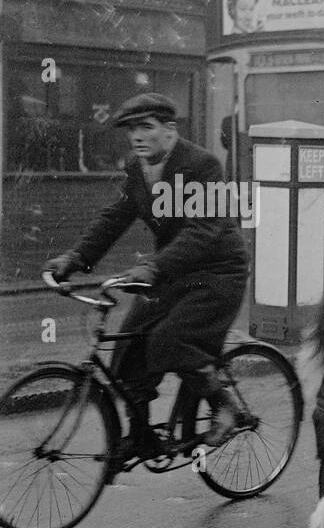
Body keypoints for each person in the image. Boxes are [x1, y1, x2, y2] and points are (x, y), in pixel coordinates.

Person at [42, 93, 250, 462]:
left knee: (169, 341)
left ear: (170, 130)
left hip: (217, 272)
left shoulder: (203, 165)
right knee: (127, 352)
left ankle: (226, 405)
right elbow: (114, 218)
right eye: (131, 130)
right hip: (173, 272)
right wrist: (75, 258)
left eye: (146, 127)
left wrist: (153, 267)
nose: (137, 137)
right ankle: (140, 437)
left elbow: (203, 230)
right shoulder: (138, 170)